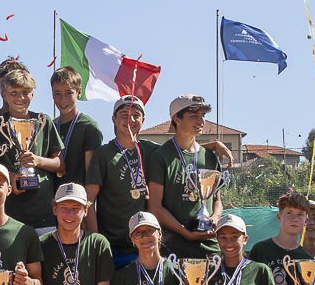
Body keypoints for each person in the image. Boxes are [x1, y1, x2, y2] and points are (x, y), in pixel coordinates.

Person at [146, 94, 232, 265]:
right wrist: (186, 233)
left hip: (209, 248)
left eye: (203, 115)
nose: (201, 121)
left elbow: (217, 200)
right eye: (194, 116)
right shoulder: (161, 156)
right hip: (173, 249)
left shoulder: (210, 157)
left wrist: (215, 217)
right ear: (176, 118)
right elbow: (154, 206)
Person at [0, 60, 64, 236]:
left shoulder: (44, 121)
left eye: (26, 92)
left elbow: (60, 164)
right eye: (14, 93)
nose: (20, 97)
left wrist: (37, 160)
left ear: (32, 94)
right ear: (4, 95)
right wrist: (9, 175)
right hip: (8, 213)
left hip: (43, 213)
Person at [86, 96, 151, 270]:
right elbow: (89, 200)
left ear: (143, 120)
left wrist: (214, 145)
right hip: (112, 247)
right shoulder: (104, 153)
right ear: (113, 119)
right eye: (124, 115)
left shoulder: (152, 150)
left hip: (144, 245)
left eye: (136, 115)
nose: (131, 120)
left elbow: (182, 148)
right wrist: (97, 241)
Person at [48, 66, 105, 212]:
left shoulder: (89, 127)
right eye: (57, 94)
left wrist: (87, 213)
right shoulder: (50, 126)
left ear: (79, 92)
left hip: (77, 205)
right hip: (53, 203)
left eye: (68, 93)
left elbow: (91, 178)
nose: (63, 100)